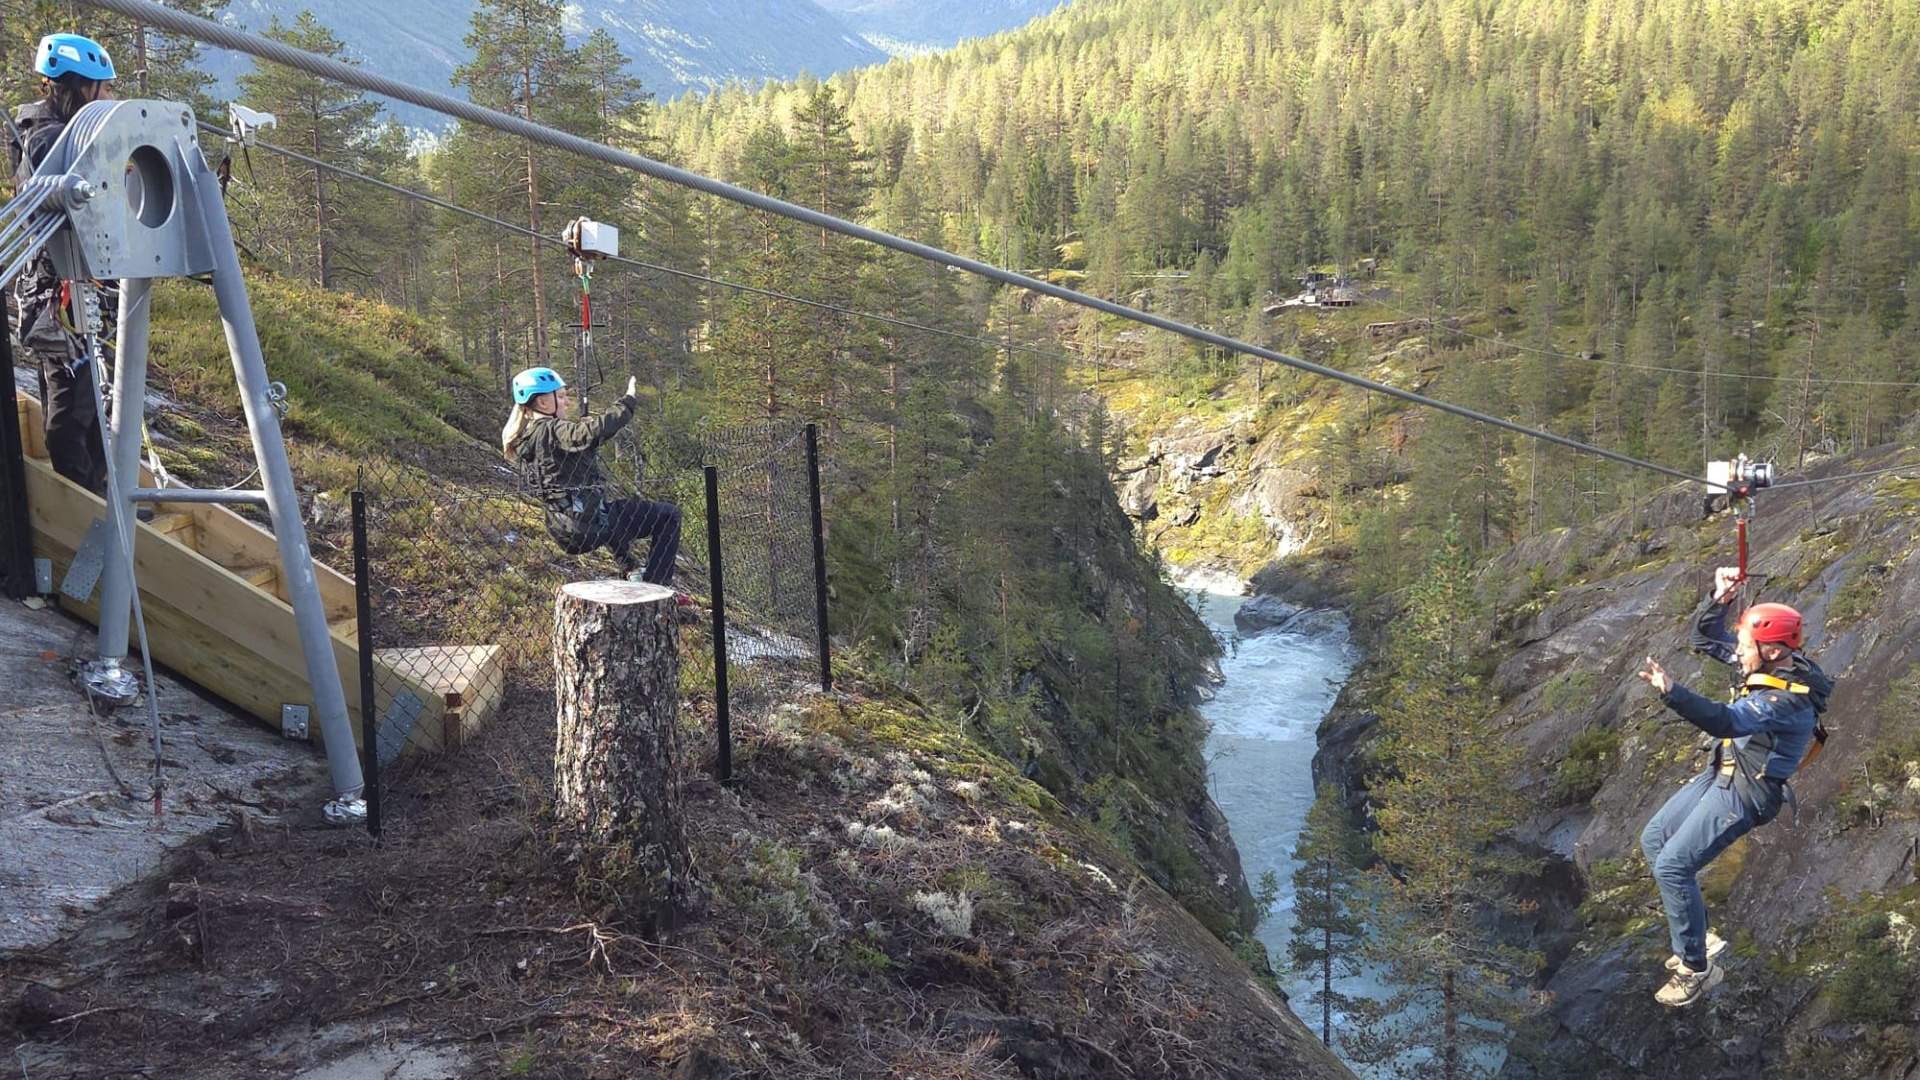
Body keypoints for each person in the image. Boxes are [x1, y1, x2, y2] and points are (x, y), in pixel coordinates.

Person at [1635, 567, 1831, 1008]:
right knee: (1655, 839)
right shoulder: (1770, 663)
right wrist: (1721, 598)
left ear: (1772, 650)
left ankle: (1697, 969)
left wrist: (1672, 691)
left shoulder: (1785, 700)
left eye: (1744, 645)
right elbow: (1705, 639)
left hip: (1747, 791)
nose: (1737, 652)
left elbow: (1726, 721)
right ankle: (1699, 934)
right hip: (1723, 770)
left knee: (1672, 867)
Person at [8, 33, 117, 494]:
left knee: (90, 395)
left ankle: (103, 491)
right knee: (72, 402)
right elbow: (77, 189)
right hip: (58, 291)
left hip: (76, 283)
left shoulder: (56, 129)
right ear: (77, 87)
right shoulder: (45, 137)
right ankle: (82, 501)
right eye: (102, 88)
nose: (107, 98)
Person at [501, 366, 681, 586]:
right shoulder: (554, 430)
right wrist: (627, 402)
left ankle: (630, 568)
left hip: (563, 528)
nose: (567, 402)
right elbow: (593, 432)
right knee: (669, 515)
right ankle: (658, 583)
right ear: (543, 403)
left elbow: (564, 463)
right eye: (561, 396)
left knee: (610, 511)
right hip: (587, 526)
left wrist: (585, 441)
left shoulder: (530, 438)